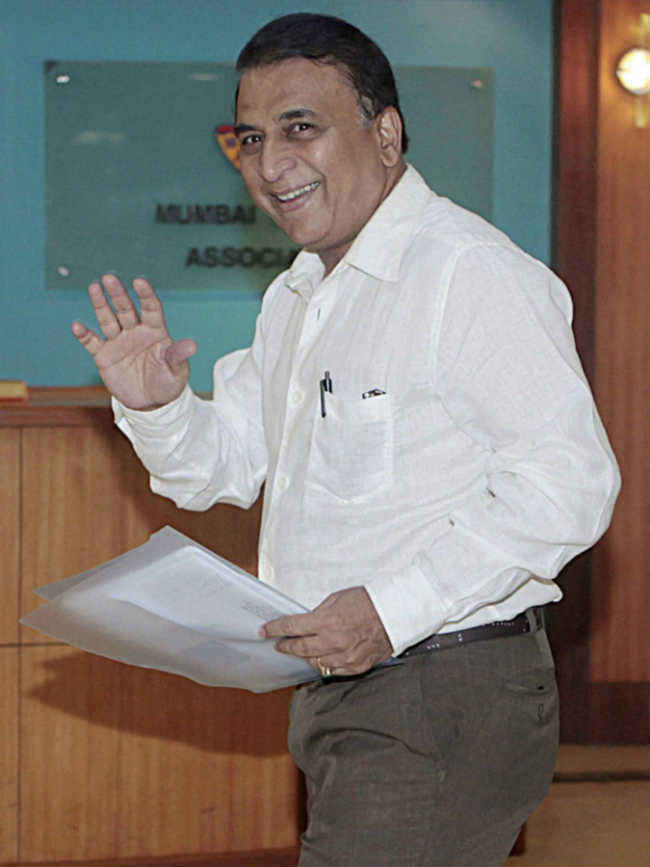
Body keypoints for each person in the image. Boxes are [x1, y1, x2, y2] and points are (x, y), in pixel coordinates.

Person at [71, 13, 620, 867]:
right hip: (343, 688)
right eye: (252, 138)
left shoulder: (466, 272)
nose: (270, 165)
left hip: (439, 689)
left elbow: (571, 482)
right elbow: (222, 467)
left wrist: (390, 610)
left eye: (302, 128)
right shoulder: (298, 293)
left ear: (386, 134)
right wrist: (160, 406)